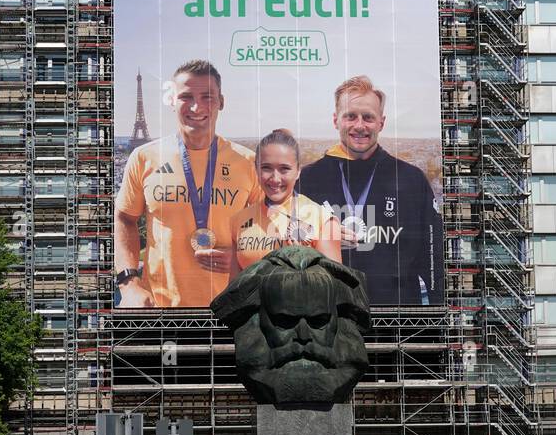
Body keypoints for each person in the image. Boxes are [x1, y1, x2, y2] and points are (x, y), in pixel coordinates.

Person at [115, 60, 261, 308]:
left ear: (221, 102)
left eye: (207, 97)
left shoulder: (249, 163)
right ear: (171, 100)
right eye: (186, 96)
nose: (196, 106)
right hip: (159, 309)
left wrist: (242, 256)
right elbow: (125, 219)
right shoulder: (144, 158)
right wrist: (129, 285)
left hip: (236, 309)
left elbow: (270, 226)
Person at [298, 75, 444, 306]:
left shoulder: (410, 179)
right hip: (329, 321)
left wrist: (437, 319)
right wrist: (321, 239)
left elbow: (434, 257)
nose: (359, 126)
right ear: (336, 120)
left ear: (381, 123)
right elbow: (292, 250)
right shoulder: (309, 179)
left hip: (397, 324)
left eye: (368, 117)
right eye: (350, 116)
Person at [228, 128, 342, 279]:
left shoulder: (323, 220)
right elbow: (235, 289)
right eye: (266, 168)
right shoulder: (238, 221)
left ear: (298, 171)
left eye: (284, 169)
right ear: (256, 169)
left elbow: (335, 287)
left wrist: (305, 260)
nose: (275, 178)